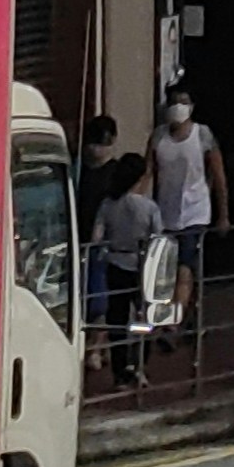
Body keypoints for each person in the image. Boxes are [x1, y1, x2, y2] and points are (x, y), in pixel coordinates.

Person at [143, 81, 218, 361]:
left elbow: (217, 174)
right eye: (174, 101)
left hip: (195, 213)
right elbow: (148, 171)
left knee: (185, 268)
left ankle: (172, 323)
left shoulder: (202, 135)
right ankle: (179, 317)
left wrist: (222, 214)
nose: (178, 106)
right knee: (167, 271)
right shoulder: (159, 138)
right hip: (166, 213)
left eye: (184, 101)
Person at [81, 123, 155, 390]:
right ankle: (140, 367)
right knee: (142, 319)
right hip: (142, 265)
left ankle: (120, 371)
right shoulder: (147, 207)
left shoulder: (108, 205)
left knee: (116, 319)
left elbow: (97, 236)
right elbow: (158, 238)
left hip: (114, 264)